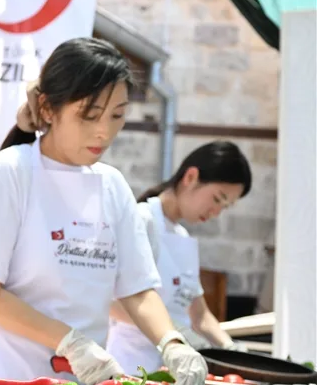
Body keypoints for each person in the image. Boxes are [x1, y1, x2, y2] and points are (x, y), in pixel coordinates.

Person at [0, 37, 208, 385]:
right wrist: (68, 341)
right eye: (89, 115)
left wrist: (172, 342)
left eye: (117, 115)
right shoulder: (9, 173)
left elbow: (137, 290)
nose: (104, 131)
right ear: (47, 108)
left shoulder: (112, 186)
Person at [107, 142, 252, 370]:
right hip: (131, 365)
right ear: (191, 177)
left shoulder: (182, 237)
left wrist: (231, 350)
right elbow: (112, 303)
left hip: (172, 369)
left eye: (225, 207)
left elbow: (200, 315)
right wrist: (172, 331)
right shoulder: (141, 220)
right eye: (217, 199)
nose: (216, 213)